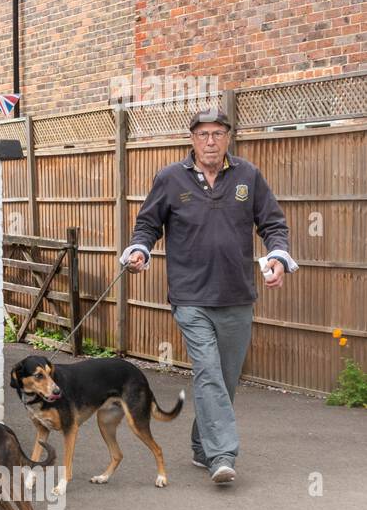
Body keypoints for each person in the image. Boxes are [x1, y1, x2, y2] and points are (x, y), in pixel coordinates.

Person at [121, 108, 297, 485]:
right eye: (204, 134)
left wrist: (279, 256)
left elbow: (273, 223)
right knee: (208, 371)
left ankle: (202, 447)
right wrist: (140, 249)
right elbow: (148, 224)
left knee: (226, 378)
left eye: (218, 133)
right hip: (190, 297)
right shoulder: (170, 178)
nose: (211, 141)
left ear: (228, 137)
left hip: (236, 296)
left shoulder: (248, 176)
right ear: (192, 140)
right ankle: (222, 456)